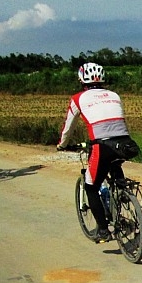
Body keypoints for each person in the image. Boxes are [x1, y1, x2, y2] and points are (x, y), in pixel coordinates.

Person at [56, 62, 134, 243]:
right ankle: (122, 193)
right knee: (114, 166)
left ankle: (103, 230)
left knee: (91, 187)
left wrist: (62, 145)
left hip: (102, 146)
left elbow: (68, 127)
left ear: (82, 80)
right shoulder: (114, 95)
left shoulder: (78, 98)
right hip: (125, 143)